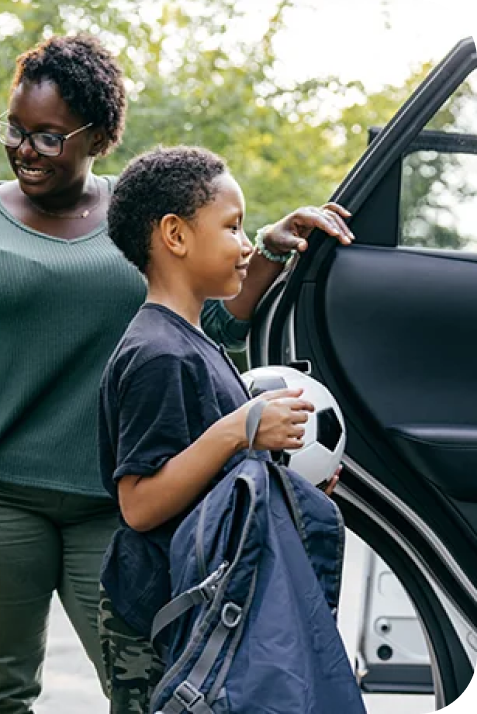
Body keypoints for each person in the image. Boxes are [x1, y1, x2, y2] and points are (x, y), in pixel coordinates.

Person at [0, 33, 353, 714]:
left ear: (97, 136)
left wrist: (266, 248)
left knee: (156, 678)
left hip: (111, 501)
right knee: (4, 692)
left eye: (50, 137)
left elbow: (207, 323)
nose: (25, 150)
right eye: (16, 131)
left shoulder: (139, 217)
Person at [98, 144, 354, 713]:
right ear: (176, 235)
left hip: (199, 603)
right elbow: (139, 503)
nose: (245, 245)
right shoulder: (157, 354)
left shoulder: (192, 341)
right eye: (233, 227)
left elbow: (212, 479)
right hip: (157, 618)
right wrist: (239, 430)